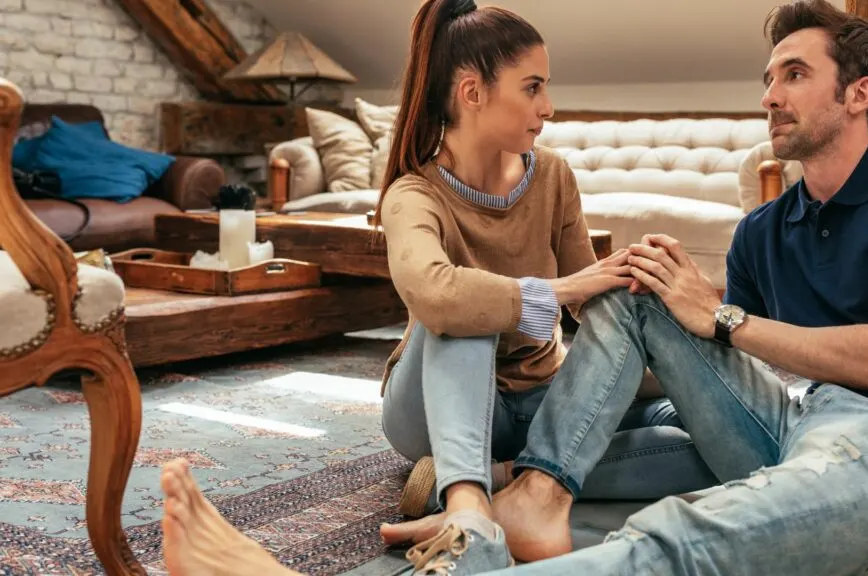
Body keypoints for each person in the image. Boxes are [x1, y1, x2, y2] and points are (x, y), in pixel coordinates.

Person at [156, 0, 719, 574]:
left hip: (541, 400)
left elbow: (588, 303)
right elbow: (438, 295)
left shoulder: (551, 175)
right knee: (462, 306)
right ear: (473, 93)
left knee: (710, 443)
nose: (547, 107)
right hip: (432, 400)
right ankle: (469, 506)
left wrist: (670, 336)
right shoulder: (413, 193)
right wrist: (562, 286)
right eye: (532, 88)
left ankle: (500, 483)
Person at [473, 1, 868, 574]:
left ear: (859, 95)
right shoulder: (761, 232)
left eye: (795, 75)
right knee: (642, 285)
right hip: (795, 419)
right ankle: (535, 491)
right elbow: (725, 367)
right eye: (769, 81)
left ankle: (494, 483)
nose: (769, 98)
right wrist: (598, 370)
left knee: (694, 539)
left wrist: (721, 319)